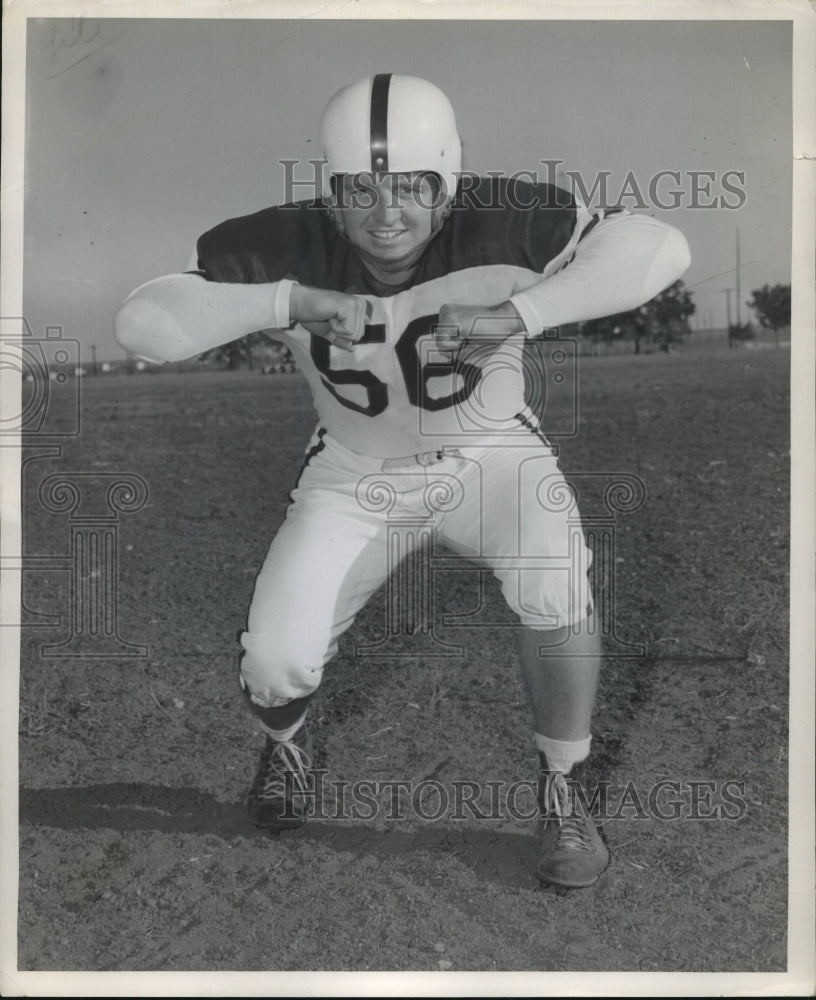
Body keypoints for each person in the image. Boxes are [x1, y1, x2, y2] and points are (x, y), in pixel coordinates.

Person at [115, 73, 690, 889]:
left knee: (558, 588)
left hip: (491, 455)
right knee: (275, 664)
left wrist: (519, 314)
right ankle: (286, 749)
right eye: (361, 189)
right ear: (331, 190)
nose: (387, 212)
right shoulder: (285, 245)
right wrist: (284, 299)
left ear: (448, 183)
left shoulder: (508, 217)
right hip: (355, 471)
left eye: (413, 186)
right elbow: (140, 324)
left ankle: (563, 788)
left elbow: (662, 247)